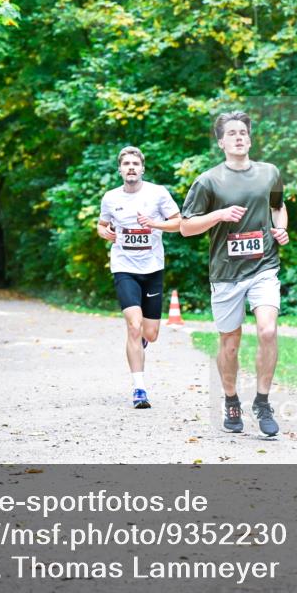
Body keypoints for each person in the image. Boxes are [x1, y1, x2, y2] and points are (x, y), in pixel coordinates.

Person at [180, 111, 289, 437]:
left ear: (250, 138)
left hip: (263, 267)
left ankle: (263, 401)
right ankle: (230, 400)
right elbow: (186, 227)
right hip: (226, 273)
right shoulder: (208, 181)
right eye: (232, 133)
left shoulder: (270, 173)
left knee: (268, 331)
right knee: (230, 344)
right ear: (221, 142)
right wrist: (219, 215)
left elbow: (278, 207)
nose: (239, 137)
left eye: (243, 132)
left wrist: (280, 229)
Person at [98, 146, 181, 409]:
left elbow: (178, 222)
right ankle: (139, 389)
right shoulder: (111, 198)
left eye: (135, 163)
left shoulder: (157, 193)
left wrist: (154, 224)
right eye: (126, 164)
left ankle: (141, 340)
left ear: (142, 168)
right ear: (120, 169)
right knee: (133, 326)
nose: (131, 167)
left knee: (151, 334)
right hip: (124, 267)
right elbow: (101, 225)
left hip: (152, 268)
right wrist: (106, 233)